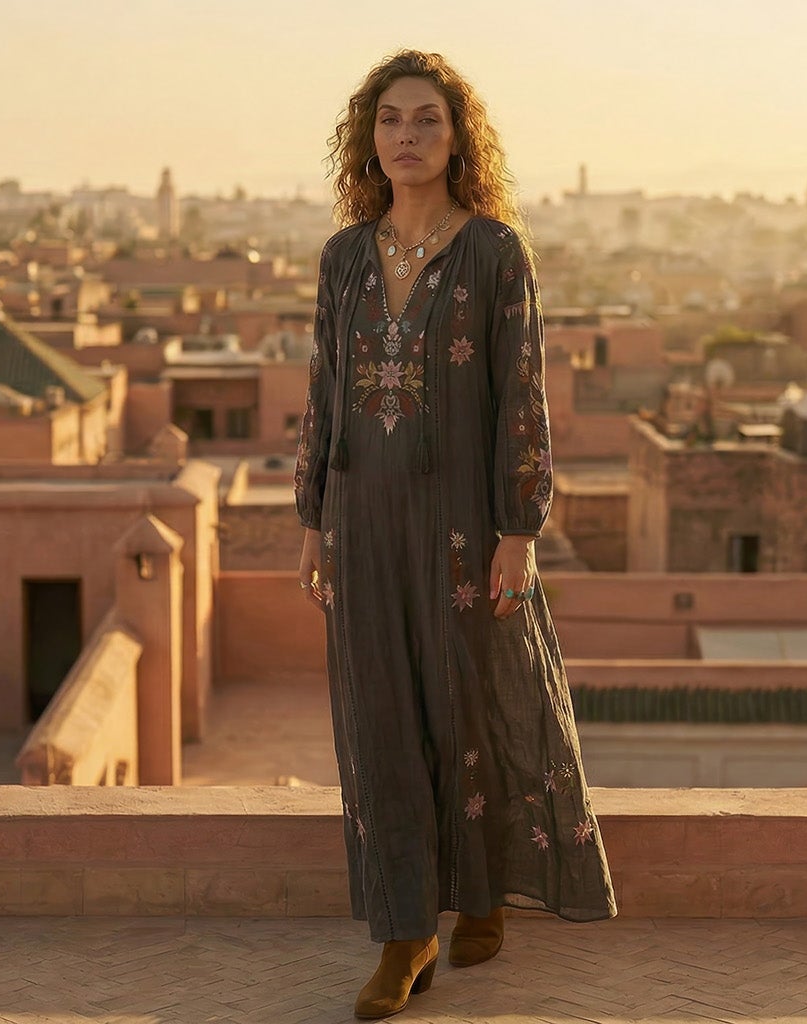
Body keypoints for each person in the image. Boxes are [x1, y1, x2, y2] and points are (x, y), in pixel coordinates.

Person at [293, 49, 617, 1020]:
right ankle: (404, 936)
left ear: (457, 135)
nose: (407, 135)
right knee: (378, 717)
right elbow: (324, 391)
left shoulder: (494, 253)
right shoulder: (344, 258)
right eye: (390, 119)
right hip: (362, 518)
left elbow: (522, 395)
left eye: (426, 118)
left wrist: (520, 527)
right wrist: (311, 518)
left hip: (462, 527)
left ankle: (480, 893)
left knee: (466, 704)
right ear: (368, 137)